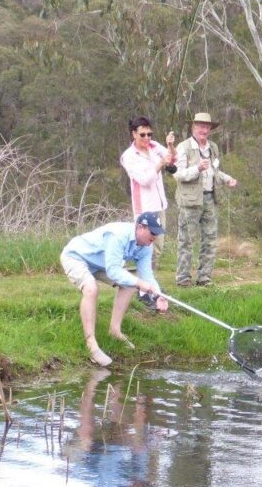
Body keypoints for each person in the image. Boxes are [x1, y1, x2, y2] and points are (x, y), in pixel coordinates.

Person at [60, 211, 169, 367]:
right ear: (140, 227)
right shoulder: (118, 235)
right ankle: (91, 344)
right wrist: (139, 282)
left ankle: (115, 331)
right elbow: (113, 271)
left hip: (101, 264)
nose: (155, 237)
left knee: (128, 284)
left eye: (157, 233)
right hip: (76, 257)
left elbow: (147, 276)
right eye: (152, 232)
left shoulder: (146, 246)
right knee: (91, 288)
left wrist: (158, 295)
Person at [173, 111, 238, 287]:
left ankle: (204, 277)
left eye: (207, 126)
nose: (204, 129)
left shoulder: (213, 148)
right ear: (193, 127)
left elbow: (215, 171)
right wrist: (197, 168)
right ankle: (183, 278)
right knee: (186, 240)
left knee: (210, 239)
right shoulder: (183, 147)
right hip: (190, 201)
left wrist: (227, 179)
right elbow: (177, 174)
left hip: (210, 198)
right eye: (201, 126)